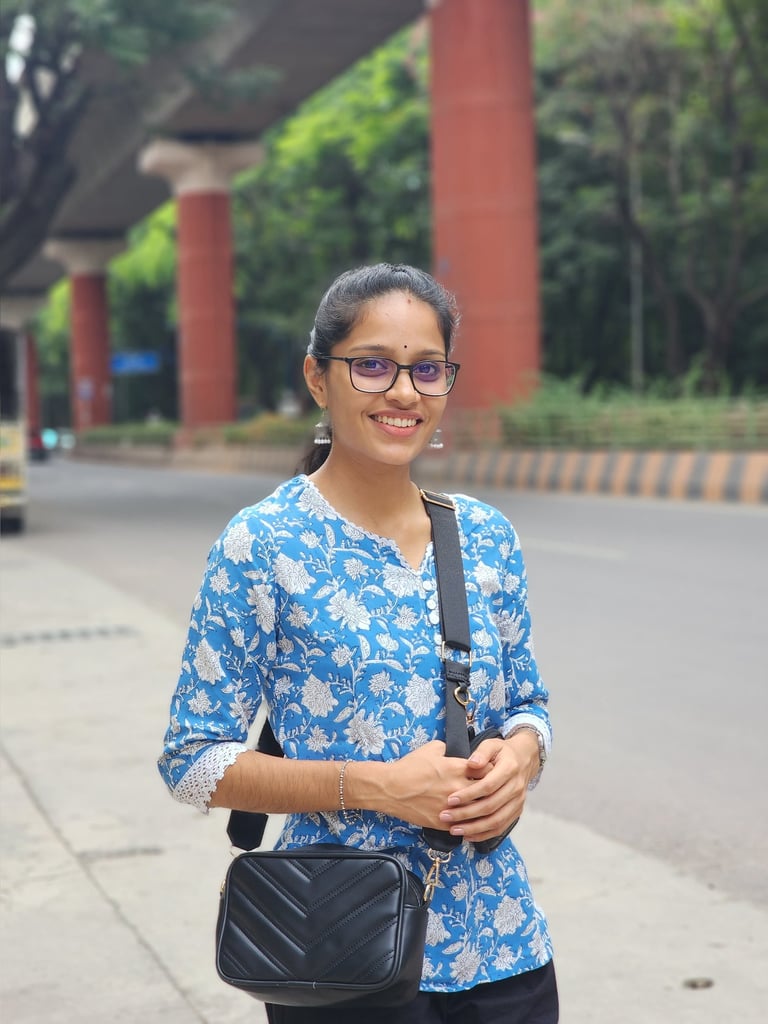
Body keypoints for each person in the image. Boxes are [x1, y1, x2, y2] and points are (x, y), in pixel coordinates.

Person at [159, 263, 558, 1023]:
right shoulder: (261, 544)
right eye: (372, 365)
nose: (404, 391)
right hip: (339, 955)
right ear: (318, 378)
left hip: (502, 948)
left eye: (427, 368)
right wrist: (374, 787)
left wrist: (520, 758)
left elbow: (528, 705)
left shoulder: (485, 535)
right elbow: (193, 762)